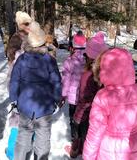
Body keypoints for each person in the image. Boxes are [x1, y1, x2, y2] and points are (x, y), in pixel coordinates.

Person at [83, 48, 137, 160]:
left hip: (110, 151)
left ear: (105, 68)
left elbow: (95, 133)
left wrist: (88, 157)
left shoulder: (103, 96)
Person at [9, 21, 62, 160]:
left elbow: (14, 81)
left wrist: (14, 101)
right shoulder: (49, 60)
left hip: (25, 105)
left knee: (23, 139)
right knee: (43, 140)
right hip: (44, 107)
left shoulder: (21, 60)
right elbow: (56, 81)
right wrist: (56, 100)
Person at [66, 31, 108, 158]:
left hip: (89, 114)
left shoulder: (87, 75)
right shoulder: (106, 71)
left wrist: (77, 117)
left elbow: (85, 99)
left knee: (86, 136)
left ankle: (79, 150)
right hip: (102, 114)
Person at [62, 31, 87, 141]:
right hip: (86, 95)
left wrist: (63, 94)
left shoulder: (70, 61)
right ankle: (83, 141)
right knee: (84, 118)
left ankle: (75, 141)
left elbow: (66, 80)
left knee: (73, 118)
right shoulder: (89, 59)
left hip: (73, 98)